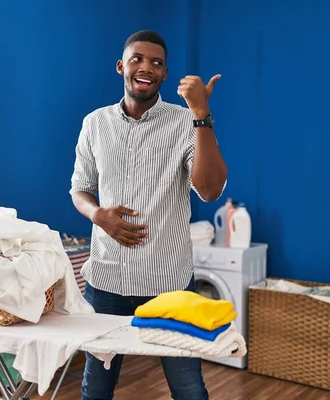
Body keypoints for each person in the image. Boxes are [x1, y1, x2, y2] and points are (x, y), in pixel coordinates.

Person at [69, 30, 228, 400]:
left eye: (156, 63)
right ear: (121, 66)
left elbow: (210, 189)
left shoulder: (185, 122)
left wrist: (202, 115)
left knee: (189, 388)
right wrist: (98, 215)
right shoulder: (95, 123)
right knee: (97, 386)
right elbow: (79, 188)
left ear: (165, 74)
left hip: (167, 284)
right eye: (138, 59)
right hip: (105, 281)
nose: (147, 67)